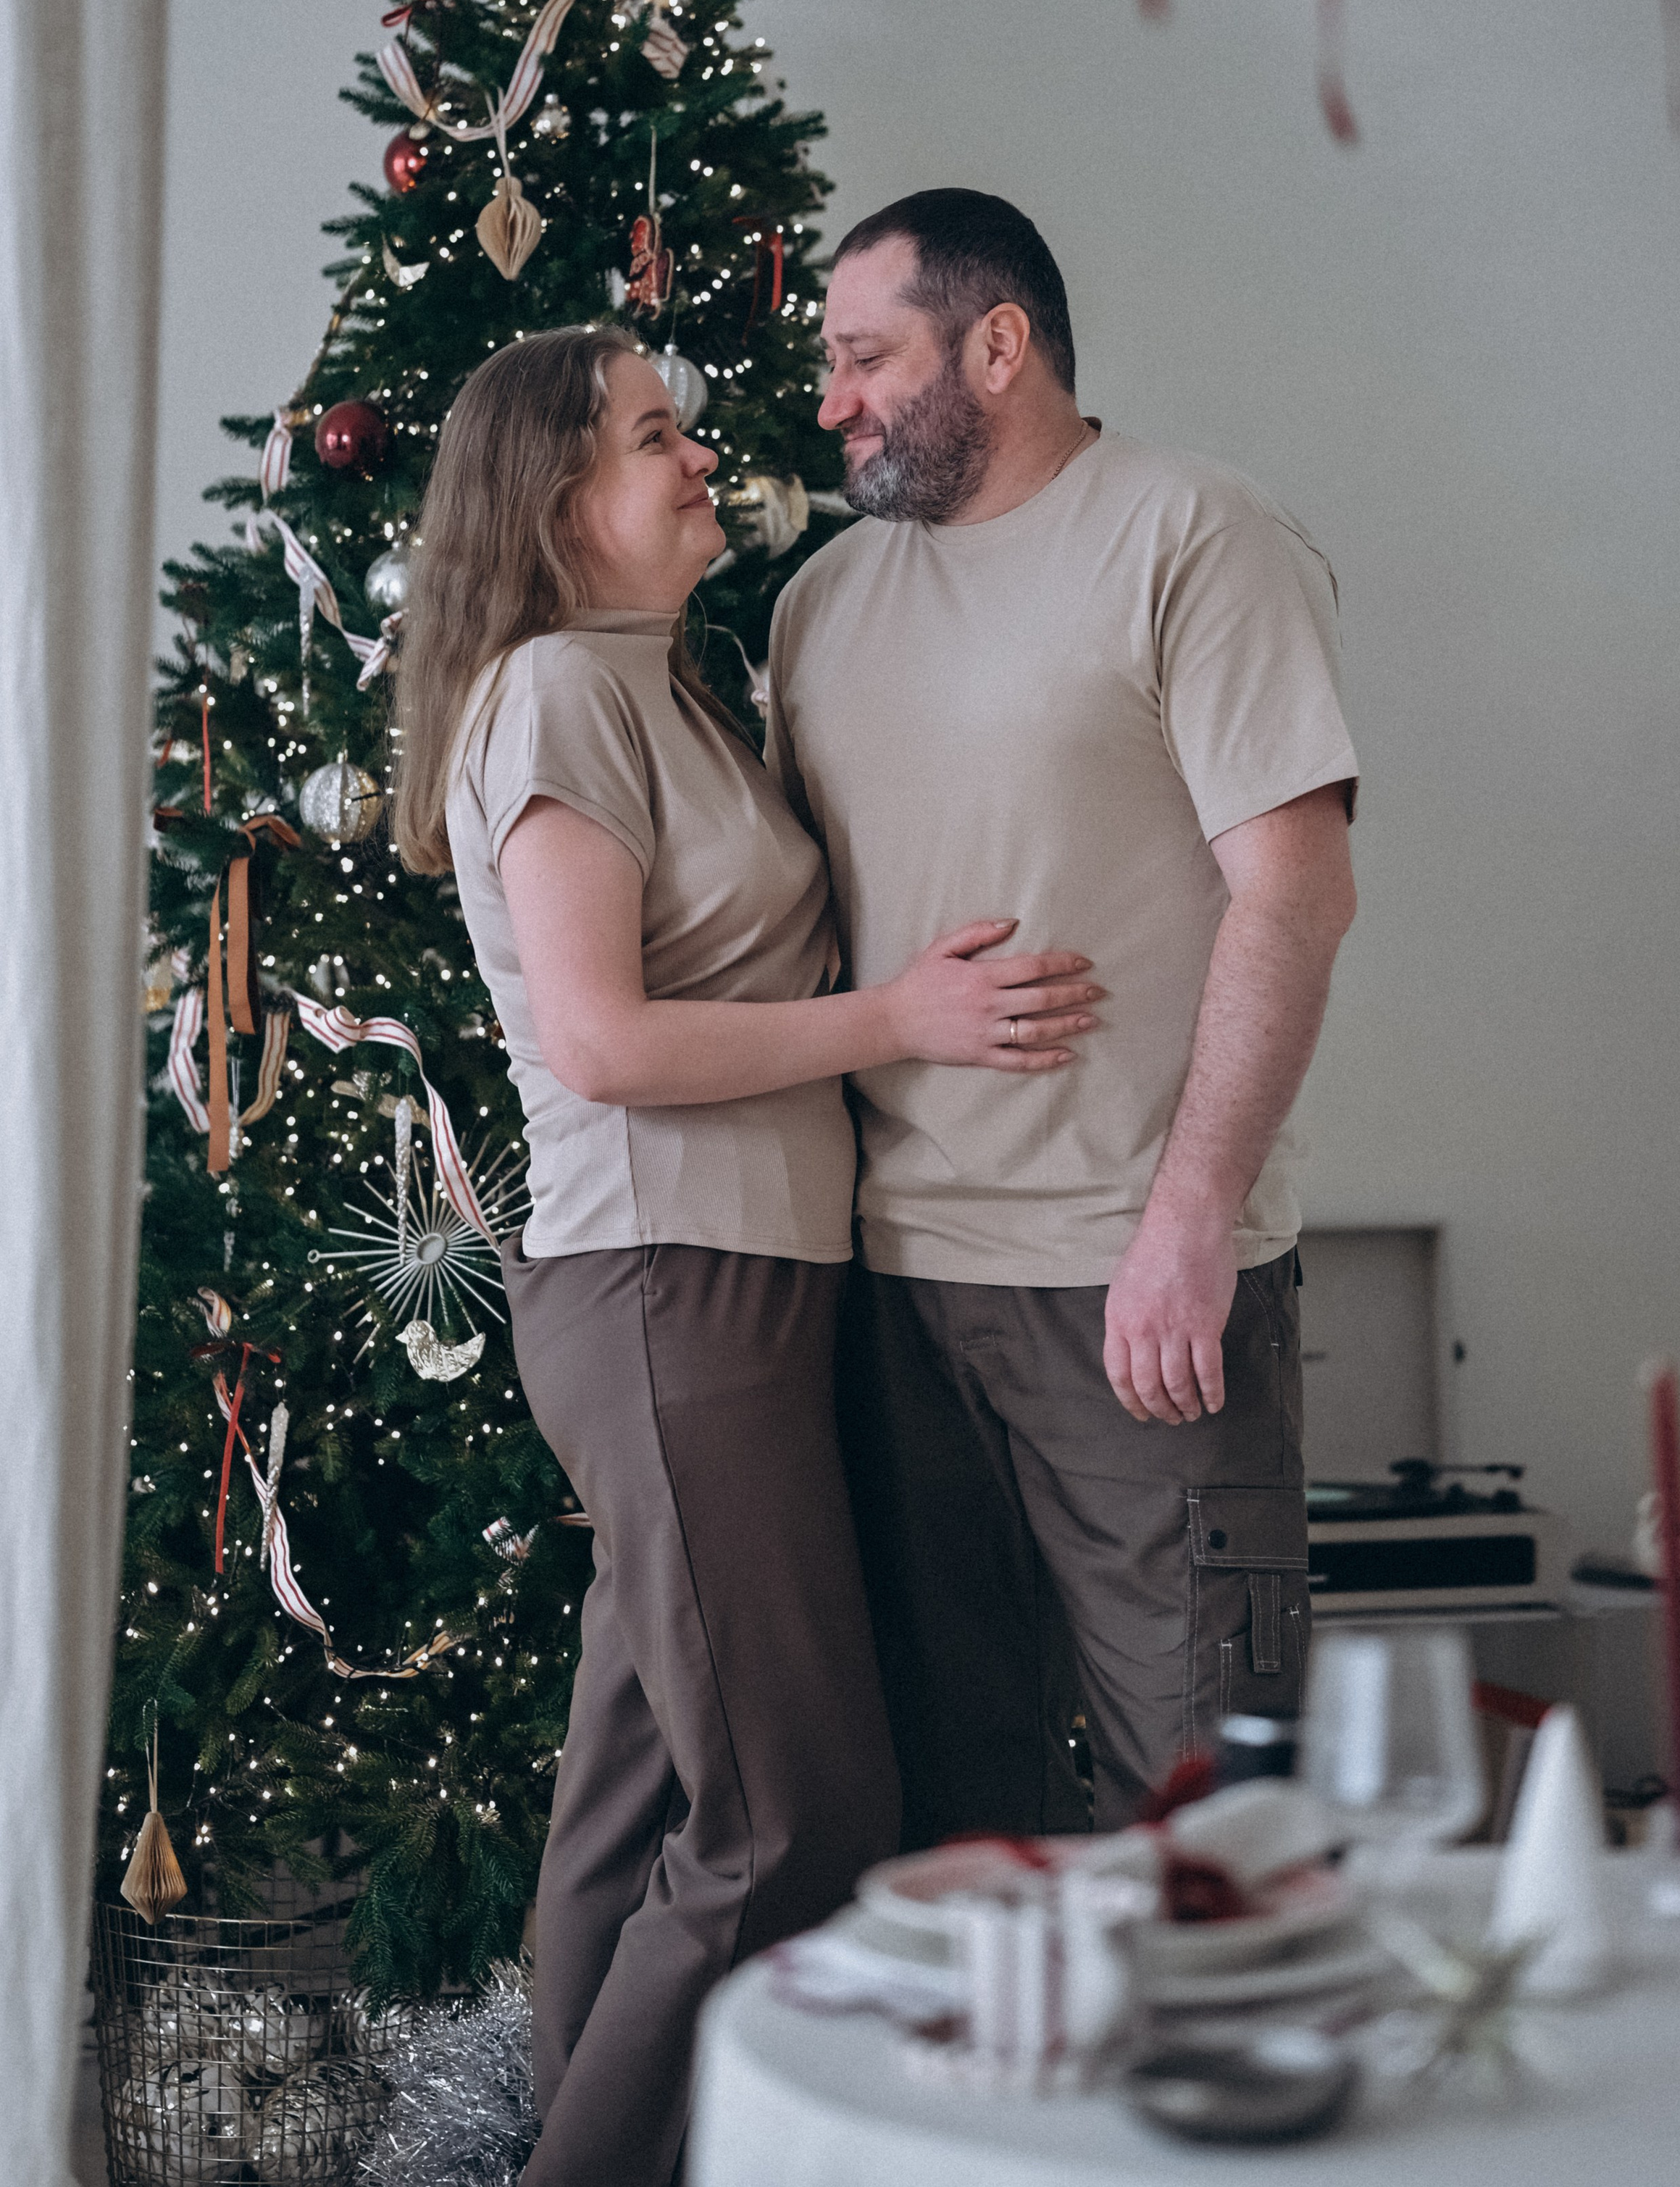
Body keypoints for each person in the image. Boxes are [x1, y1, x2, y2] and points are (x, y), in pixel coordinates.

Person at [392, 325, 1103, 2187]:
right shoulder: (555, 692)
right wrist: (904, 1021)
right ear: (556, 503)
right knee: (793, 1815)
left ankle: (616, 2131)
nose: (704, 460)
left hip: (732, 1289)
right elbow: (604, 1039)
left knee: (635, 1802)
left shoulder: (666, 680)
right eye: (655, 437)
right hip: (661, 1288)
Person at [767, 190, 1360, 1844]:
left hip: (1137, 1291)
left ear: (998, 345)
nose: (833, 399)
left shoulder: (1193, 533)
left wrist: (1188, 1218)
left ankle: (1193, 2105)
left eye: (866, 356)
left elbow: (1295, 892)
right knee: (957, 1812)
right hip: (891, 1292)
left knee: (1202, 1808)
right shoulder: (817, 604)